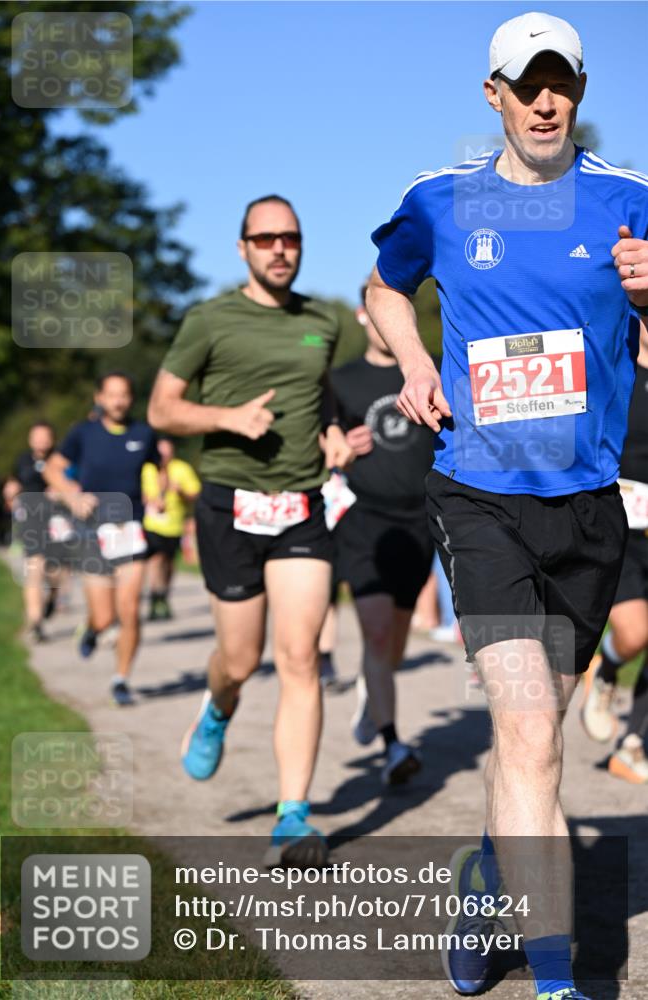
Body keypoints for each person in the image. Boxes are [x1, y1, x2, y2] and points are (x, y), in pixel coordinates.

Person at [366, 11, 648, 999]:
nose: (543, 101)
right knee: (528, 734)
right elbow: (384, 288)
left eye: (559, 83)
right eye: (525, 85)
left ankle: (486, 886)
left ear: (579, 91)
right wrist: (411, 361)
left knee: (533, 740)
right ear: (493, 95)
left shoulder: (630, 202)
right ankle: (557, 979)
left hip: (589, 509)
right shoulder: (439, 200)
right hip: (477, 494)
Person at [148, 194, 353, 867]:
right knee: (239, 660)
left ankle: (292, 816)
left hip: (300, 506)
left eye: (289, 237)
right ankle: (217, 708)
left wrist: (331, 430)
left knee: (300, 657)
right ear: (242, 248)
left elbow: (320, 390)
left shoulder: (321, 319)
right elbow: (162, 410)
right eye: (264, 239)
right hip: (228, 507)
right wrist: (227, 419)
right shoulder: (209, 320)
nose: (279, 249)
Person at [330, 283, 434, 785]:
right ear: (362, 315)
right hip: (364, 519)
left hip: (420, 522)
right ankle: (394, 745)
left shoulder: (430, 370)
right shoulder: (340, 380)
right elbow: (320, 447)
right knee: (375, 631)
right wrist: (339, 449)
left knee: (395, 643)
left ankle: (372, 694)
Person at [44, 373, 159, 705]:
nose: (118, 401)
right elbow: (52, 468)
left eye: (124, 395)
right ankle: (94, 628)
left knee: (130, 609)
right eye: (111, 395)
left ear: (131, 398)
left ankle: (121, 679)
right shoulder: (83, 433)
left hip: (130, 529)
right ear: (100, 397)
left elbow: (158, 468)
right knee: (106, 616)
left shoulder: (144, 434)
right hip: (92, 531)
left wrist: (158, 493)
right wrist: (71, 495)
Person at [581, 320, 648, 783]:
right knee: (636, 632)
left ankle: (634, 742)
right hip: (618, 522)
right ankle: (608, 665)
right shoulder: (608, 361)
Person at [11, 422, 61, 642]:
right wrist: (12, 492)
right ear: (30, 439)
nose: (41, 440)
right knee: (35, 570)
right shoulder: (23, 460)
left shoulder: (60, 459)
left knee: (56, 572)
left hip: (57, 521)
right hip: (32, 521)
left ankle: (52, 598)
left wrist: (60, 491)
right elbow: (15, 483)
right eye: (37, 436)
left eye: (45, 436)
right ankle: (35, 623)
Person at [142, 436, 201, 620]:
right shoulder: (146, 468)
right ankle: (155, 595)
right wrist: (148, 500)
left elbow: (195, 493)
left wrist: (181, 491)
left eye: (167, 452)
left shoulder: (182, 469)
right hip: (151, 523)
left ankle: (163, 594)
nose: (164, 456)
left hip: (174, 525)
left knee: (169, 562)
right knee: (156, 558)